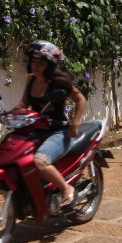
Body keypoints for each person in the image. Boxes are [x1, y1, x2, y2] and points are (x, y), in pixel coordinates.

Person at [13, 40, 87, 206]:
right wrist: (10, 114)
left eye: (41, 63)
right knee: (16, 157)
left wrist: (75, 124)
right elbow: (24, 103)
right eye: (34, 62)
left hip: (58, 132)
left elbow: (80, 99)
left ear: (50, 65)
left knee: (39, 162)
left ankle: (66, 188)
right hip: (36, 130)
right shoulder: (31, 79)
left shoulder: (58, 82)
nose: (36, 67)